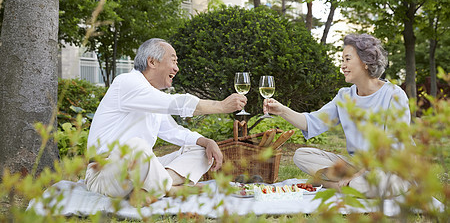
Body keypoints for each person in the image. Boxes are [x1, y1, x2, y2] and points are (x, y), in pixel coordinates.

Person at [85, 38, 247, 203]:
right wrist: (220, 106)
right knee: (136, 146)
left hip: (138, 172)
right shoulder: (126, 82)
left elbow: (173, 131)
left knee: (201, 151)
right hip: (104, 173)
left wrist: (206, 141)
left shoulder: (152, 95)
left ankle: (155, 188)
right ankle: (171, 189)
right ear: (152, 62)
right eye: (174, 60)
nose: (177, 68)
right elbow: (175, 103)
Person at [263, 33, 410, 198]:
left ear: (366, 62)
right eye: (342, 60)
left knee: (366, 182)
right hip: (356, 165)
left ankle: (331, 185)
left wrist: (358, 175)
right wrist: (282, 110)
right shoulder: (344, 96)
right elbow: (311, 122)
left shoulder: (394, 95)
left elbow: (393, 146)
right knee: (302, 155)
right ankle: (349, 185)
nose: (342, 66)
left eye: (347, 59)